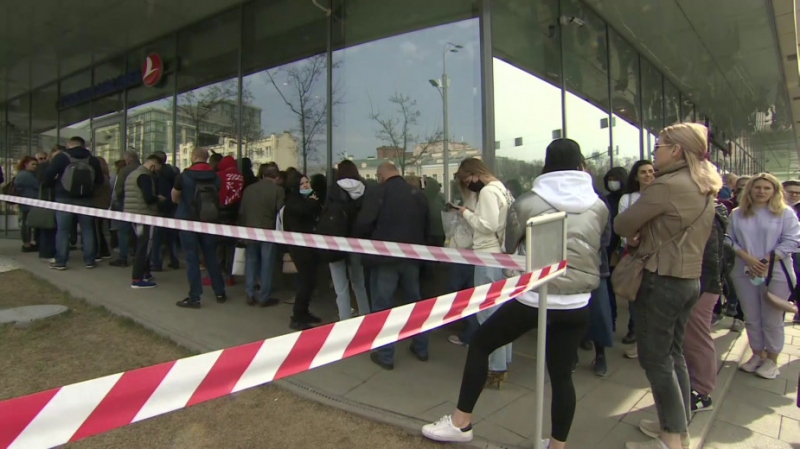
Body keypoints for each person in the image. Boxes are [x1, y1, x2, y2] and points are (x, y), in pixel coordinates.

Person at [422, 139, 607, 449]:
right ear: (580, 166)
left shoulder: (528, 202)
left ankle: (461, 422)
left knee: (481, 343)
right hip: (577, 301)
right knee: (562, 376)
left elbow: (509, 246)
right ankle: (557, 446)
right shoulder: (598, 205)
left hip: (535, 295)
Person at [615, 123, 720, 449]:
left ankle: (671, 440)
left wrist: (638, 232)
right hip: (689, 279)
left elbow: (622, 223)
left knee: (656, 360)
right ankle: (676, 427)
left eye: (658, 146)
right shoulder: (705, 184)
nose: (654, 152)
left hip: (661, 279)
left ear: (676, 150)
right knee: (674, 355)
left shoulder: (667, 185)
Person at [355, 162, 430, 370]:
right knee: (415, 304)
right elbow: (427, 226)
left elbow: (364, 223)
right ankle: (421, 348)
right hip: (412, 258)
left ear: (381, 175)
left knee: (383, 306)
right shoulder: (417, 194)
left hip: (384, 258)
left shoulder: (378, 192)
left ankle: (386, 355)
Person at [452, 158, 515, 387]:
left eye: (467, 179)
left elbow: (488, 225)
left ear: (475, 173)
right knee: (500, 312)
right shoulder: (502, 189)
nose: (468, 184)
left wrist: (466, 214)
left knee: (487, 314)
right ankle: (503, 362)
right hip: (501, 256)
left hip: (487, 255)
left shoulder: (488, 192)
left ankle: (496, 368)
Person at [730, 173, 800, 380]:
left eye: (767, 188)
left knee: (772, 318)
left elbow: (792, 240)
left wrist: (765, 261)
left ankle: (772, 359)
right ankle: (757, 354)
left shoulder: (785, 213)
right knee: (751, 316)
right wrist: (748, 259)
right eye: (757, 187)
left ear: (775, 191)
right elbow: (729, 239)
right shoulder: (737, 213)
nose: (761, 191)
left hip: (776, 271)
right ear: (750, 189)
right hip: (744, 270)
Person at [683, 199, 726, 414]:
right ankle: (695, 386)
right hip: (699, 284)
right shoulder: (705, 209)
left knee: (697, 338)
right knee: (691, 338)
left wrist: (697, 291)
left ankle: (702, 393)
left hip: (702, 286)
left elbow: (710, 259)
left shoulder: (707, 213)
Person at [172, 147, 227, 308]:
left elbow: (174, 197)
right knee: (211, 256)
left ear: (193, 156)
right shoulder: (215, 177)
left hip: (187, 220)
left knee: (192, 258)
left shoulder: (184, 176)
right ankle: (220, 292)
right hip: (208, 220)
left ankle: (195, 297)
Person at [43, 136, 105, 270]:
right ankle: (90, 261)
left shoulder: (62, 157)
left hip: (64, 198)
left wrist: (55, 186)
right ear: (83, 145)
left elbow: (48, 176)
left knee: (63, 230)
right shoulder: (92, 159)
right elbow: (100, 180)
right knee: (87, 229)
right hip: (86, 199)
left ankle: (61, 261)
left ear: (69, 144)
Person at [322, 160, 370, 320]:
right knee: (359, 284)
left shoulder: (334, 190)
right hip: (357, 242)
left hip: (337, 241)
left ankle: (345, 319)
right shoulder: (364, 189)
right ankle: (365, 316)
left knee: (341, 288)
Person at [617, 159, 655, 359]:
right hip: (635, 254)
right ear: (636, 176)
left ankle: (651, 343)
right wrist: (630, 239)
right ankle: (639, 339)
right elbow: (622, 226)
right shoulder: (628, 199)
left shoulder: (661, 195)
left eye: (651, 171)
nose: (648, 175)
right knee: (635, 298)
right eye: (643, 172)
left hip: (657, 254)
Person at [238, 164, 284, 307]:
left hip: (250, 230)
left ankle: (250, 293)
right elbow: (281, 212)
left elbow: (242, 211)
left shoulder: (249, 189)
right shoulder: (278, 190)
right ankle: (264, 296)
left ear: (263, 176)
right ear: (276, 178)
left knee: (251, 261)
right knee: (267, 264)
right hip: (268, 231)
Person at [283, 172, 323, 330]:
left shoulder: (306, 200)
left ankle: (304, 312)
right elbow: (306, 212)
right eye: (302, 183)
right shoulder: (293, 202)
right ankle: (297, 316)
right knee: (306, 282)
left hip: (309, 246)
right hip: (300, 248)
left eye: (307, 182)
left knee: (311, 281)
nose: (306, 185)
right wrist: (313, 202)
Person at [124, 154, 163, 289]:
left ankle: (145, 273)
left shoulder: (132, 174)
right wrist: (159, 198)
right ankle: (137, 278)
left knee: (140, 244)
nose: (157, 172)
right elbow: (148, 198)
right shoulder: (145, 177)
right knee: (145, 246)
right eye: (157, 168)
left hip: (132, 214)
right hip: (144, 214)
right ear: (153, 165)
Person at [603, 166, 628, 331]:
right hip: (609, 250)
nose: (612, 183)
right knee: (609, 288)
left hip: (626, 248)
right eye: (610, 179)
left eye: (616, 179)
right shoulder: (606, 200)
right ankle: (610, 320)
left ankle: (633, 328)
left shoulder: (629, 199)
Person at [110, 151, 141, 268]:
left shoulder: (124, 171)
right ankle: (138, 256)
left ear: (129, 159)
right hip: (142, 205)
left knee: (123, 231)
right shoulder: (144, 169)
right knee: (139, 232)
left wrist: (119, 201)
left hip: (125, 204)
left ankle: (123, 258)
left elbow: (118, 189)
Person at [150, 151, 180, 271]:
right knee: (172, 237)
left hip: (161, 209)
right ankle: (174, 261)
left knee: (157, 239)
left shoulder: (159, 176)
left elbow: (160, 193)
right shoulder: (174, 172)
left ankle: (156, 263)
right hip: (173, 208)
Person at [35, 146, 64, 262]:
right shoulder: (44, 166)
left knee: (55, 228)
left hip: (56, 199)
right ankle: (46, 253)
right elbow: (44, 182)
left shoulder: (61, 166)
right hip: (47, 199)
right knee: (48, 227)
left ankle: (54, 251)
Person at [14, 156, 40, 252]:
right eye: (32, 164)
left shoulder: (24, 174)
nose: (35, 166)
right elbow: (37, 185)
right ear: (26, 164)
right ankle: (27, 244)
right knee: (27, 224)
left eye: (36, 164)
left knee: (27, 223)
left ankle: (28, 243)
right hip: (28, 202)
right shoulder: (26, 175)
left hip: (28, 201)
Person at [91, 156, 112, 261]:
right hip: (103, 205)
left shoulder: (101, 179)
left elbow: (96, 192)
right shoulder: (107, 178)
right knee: (99, 229)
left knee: (96, 230)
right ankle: (104, 250)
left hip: (97, 205)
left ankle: (98, 252)